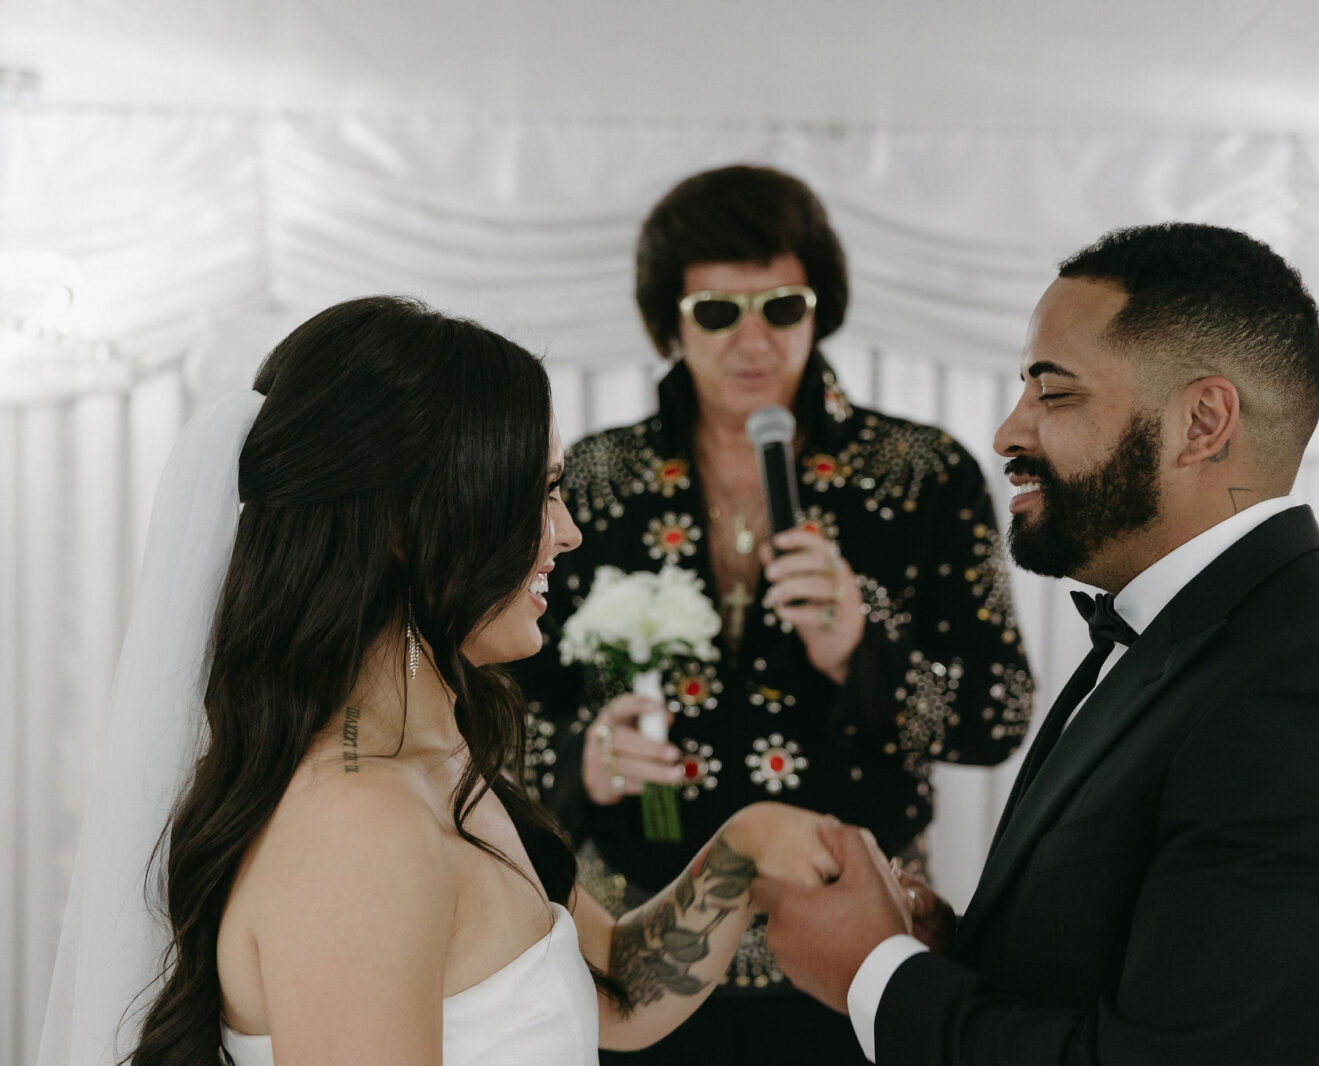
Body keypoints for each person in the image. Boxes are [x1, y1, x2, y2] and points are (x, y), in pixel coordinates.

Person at [35, 296, 844, 1066]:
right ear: (405, 527)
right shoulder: (360, 828)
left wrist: (749, 842)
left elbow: (616, 992)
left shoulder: (442, 760)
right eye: (537, 492)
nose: (567, 533)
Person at [753, 223, 1319, 1065]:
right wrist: (954, 955)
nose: (1008, 434)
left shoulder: (1318, 700)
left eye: (1053, 394)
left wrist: (875, 974)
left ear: (1201, 422)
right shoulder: (1194, 634)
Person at [507, 164, 1034, 1065]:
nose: (752, 340)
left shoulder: (922, 473)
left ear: (819, 309)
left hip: (852, 948)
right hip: (633, 944)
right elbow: (495, 705)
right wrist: (584, 758)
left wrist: (864, 652)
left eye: (782, 308)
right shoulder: (589, 479)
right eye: (718, 312)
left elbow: (1000, 712)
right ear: (668, 319)